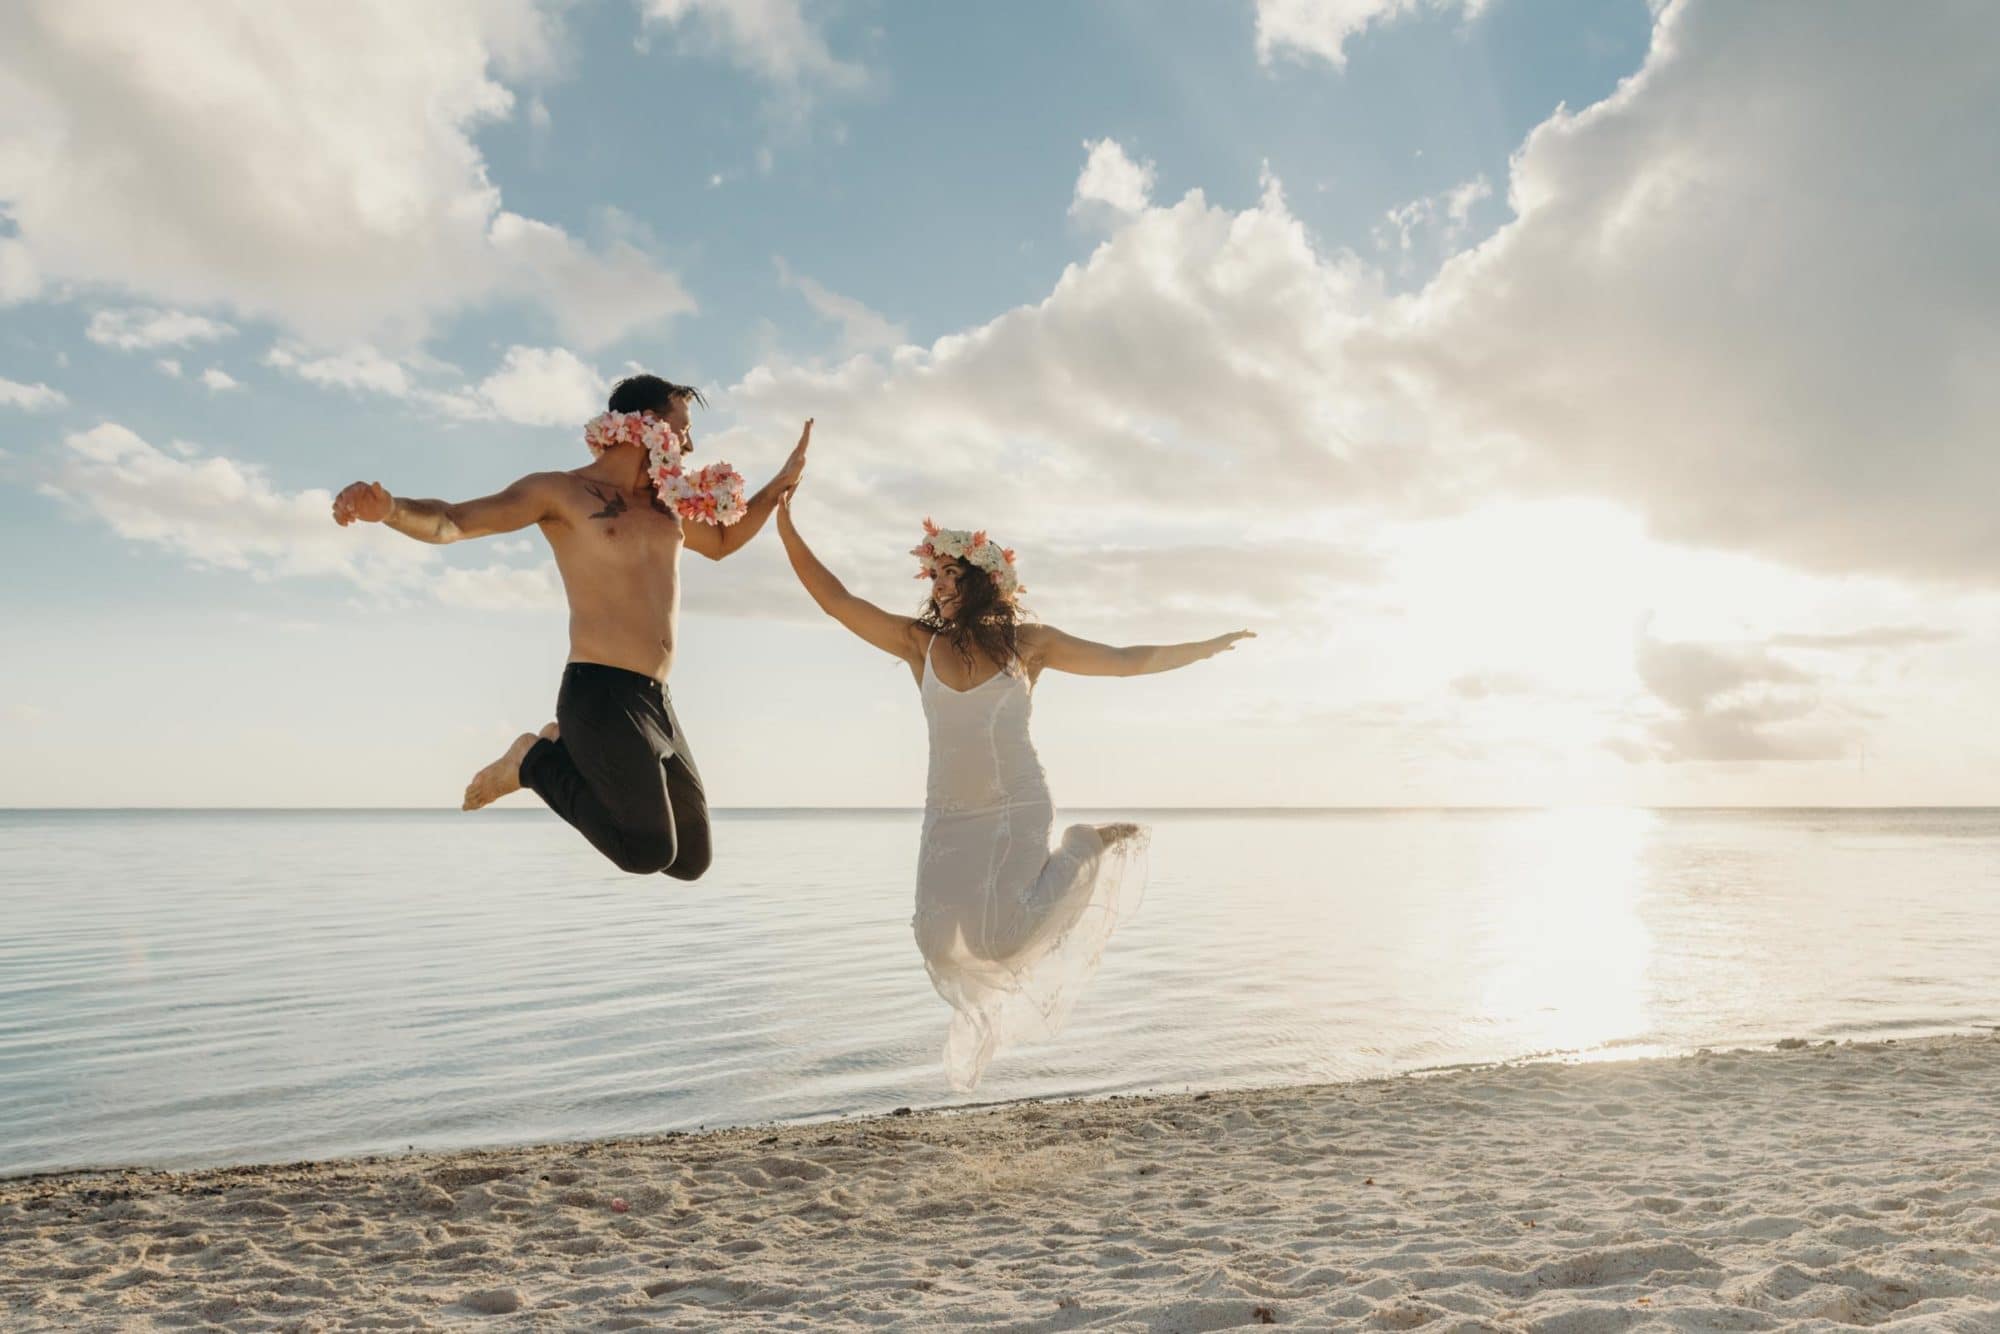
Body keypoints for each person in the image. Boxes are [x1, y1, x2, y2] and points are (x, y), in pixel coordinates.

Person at [774, 493, 1253, 1088]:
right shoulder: (919, 643)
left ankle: (1085, 845)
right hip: (948, 814)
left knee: (1000, 942)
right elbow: (836, 601)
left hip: (1016, 806)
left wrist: (1203, 649)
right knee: (936, 938)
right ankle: (1071, 866)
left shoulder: (1032, 645)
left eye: (953, 573)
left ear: (985, 582)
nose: (941, 584)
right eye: (936, 574)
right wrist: (785, 526)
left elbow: (1126, 660)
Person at [330, 374, 811, 878]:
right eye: (682, 428)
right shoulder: (562, 492)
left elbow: (722, 543)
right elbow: (454, 521)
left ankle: (548, 756)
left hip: (657, 700)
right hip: (599, 691)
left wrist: (782, 479)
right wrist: (389, 510)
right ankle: (533, 762)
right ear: (644, 426)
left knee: (691, 860)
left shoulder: (666, 508)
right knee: (647, 852)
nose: (690, 444)